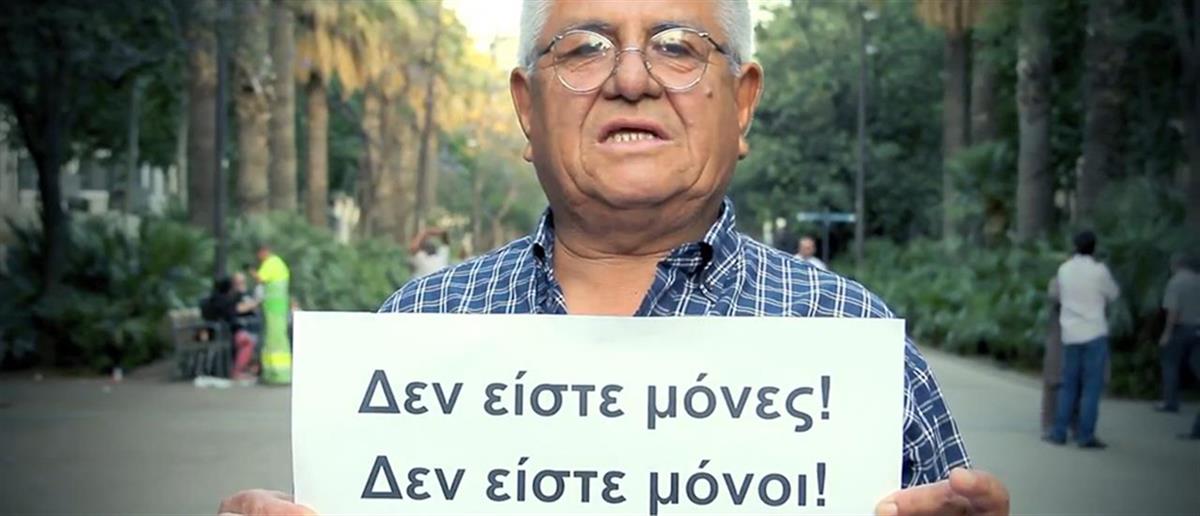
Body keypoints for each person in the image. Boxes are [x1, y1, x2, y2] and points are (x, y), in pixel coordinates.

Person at [219, 1, 1010, 514]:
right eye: (585, 48)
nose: (632, 78)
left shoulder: (849, 337)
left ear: (742, 102)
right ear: (527, 107)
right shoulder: (415, 331)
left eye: (678, 47)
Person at [1045, 231, 1119, 449]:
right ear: (1094, 247)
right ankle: (1085, 435)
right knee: (1091, 387)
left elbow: (1057, 296)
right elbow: (1113, 294)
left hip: (1070, 334)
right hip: (1094, 332)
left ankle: (1059, 432)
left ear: (1074, 246)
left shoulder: (1064, 269)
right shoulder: (1099, 270)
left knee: (1068, 385)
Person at [1155, 252, 1200, 439]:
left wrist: (1167, 333)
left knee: (1170, 364)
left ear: (1176, 264)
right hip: (1198, 329)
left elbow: (1173, 310)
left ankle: (1170, 401)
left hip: (1181, 328)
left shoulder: (1176, 283)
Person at [200, 276, 259, 382]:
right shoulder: (225, 301)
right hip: (225, 334)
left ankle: (243, 369)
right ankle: (237, 372)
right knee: (248, 342)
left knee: (247, 338)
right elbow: (232, 317)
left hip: (215, 333)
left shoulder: (210, 300)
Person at [253, 243, 292, 385]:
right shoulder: (279, 263)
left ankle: (277, 374)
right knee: (274, 339)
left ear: (264, 251)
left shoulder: (271, 263)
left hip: (273, 308)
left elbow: (260, 278)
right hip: (277, 307)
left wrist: (251, 271)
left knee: (274, 340)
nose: (258, 258)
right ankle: (272, 373)